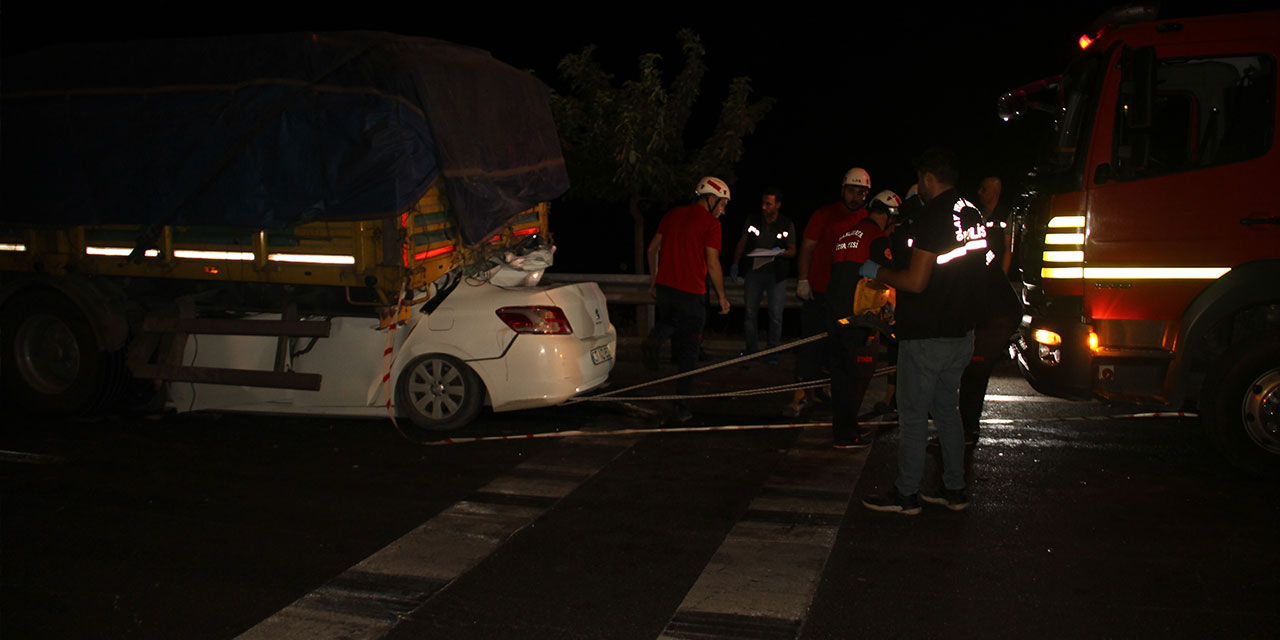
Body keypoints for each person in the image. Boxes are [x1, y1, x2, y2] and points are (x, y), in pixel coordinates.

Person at [859, 149, 988, 514]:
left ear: (928, 178)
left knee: (914, 415)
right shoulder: (971, 211)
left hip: (927, 332)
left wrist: (876, 272)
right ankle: (954, 489)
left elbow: (915, 282)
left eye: (920, 181)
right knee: (947, 410)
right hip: (962, 332)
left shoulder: (933, 216)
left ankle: (906, 494)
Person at [643, 176, 733, 424]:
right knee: (689, 352)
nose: (723, 211)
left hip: (665, 289)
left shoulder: (672, 214)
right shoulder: (711, 225)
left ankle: (656, 337)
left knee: (671, 321)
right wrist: (722, 297)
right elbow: (712, 262)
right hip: (691, 293)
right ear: (711, 198)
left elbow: (652, 249)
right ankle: (682, 406)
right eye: (723, 204)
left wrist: (654, 279)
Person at [785, 168, 871, 417]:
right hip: (820, 292)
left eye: (862, 192)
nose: (856, 197)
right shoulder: (824, 215)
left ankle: (826, 391)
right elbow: (807, 248)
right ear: (843, 190)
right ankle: (800, 395)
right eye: (853, 191)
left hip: (849, 297)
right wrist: (803, 279)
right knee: (811, 343)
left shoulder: (867, 219)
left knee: (840, 348)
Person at [825, 189, 900, 448]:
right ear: (889, 216)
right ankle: (845, 434)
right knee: (857, 375)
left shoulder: (847, 234)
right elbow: (888, 279)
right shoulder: (877, 238)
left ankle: (845, 426)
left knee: (840, 374)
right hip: (859, 318)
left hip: (835, 312)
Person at [958, 175, 1022, 443]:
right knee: (972, 371)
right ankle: (965, 428)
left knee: (975, 370)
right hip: (994, 309)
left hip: (999, 314)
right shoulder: (976, 247)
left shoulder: (973, 254)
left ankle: (967, 430)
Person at [731, 188, 796, 364]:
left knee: (775, 315)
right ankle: (752, 350)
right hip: (754, 273)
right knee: (750, 313)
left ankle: (773, 350)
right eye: (763, 202)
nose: (764, 207)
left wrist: (779, 252)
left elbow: (793, 251)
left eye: (768, 203)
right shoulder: (753, 220)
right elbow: (742, 242)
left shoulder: (786, 223)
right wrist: (736, 263)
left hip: (776, 275)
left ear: (778, 205)